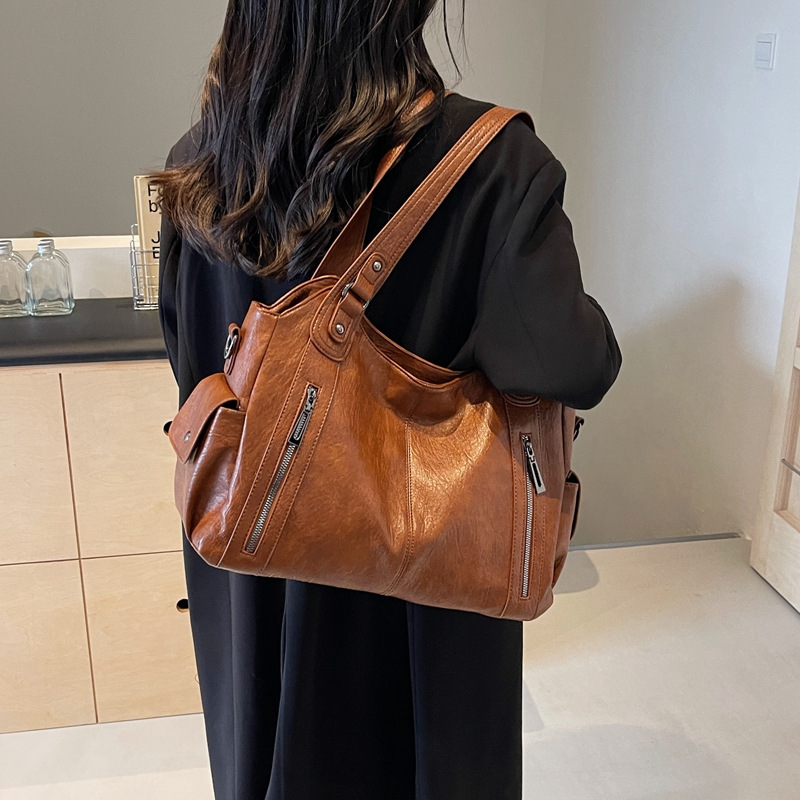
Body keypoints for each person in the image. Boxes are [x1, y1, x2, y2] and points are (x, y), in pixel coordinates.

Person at [153, 1, 622, 798]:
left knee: (259, 757)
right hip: (427, 582)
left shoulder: (202, 162)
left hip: (250, 560)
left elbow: (190, 358)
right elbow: (570, 365)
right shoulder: (494, 164)